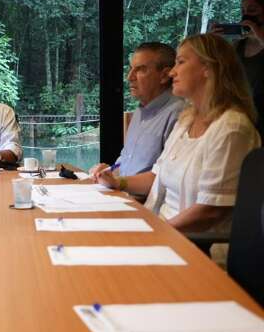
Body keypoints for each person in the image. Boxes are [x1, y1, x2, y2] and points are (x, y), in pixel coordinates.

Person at [95, 33, 260, 235]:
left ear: (208, 68)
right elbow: (157, 175)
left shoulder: (232, 128)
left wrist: (153, 232)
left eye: (180, 62)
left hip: (194, 248)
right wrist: (116, 181)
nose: (172, 72)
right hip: (159, 229)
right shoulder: (186, 121)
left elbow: (211, 211)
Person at [90, 42, 184, 177]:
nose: (130, 77)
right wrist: (109, 171)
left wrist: (120, 183)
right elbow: (125, 162)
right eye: (131, 69)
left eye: (140, 69)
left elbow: (167, 178)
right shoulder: (140, 111)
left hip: (143, 197)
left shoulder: (178, 114)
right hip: (122, 193)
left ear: (164, 76)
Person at [214, 0, 264, 139]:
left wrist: (259, 35)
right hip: (240, 114)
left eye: (252, 10)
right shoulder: (239, 45)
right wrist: (215, 43)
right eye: (243, 11)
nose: (246, 15)